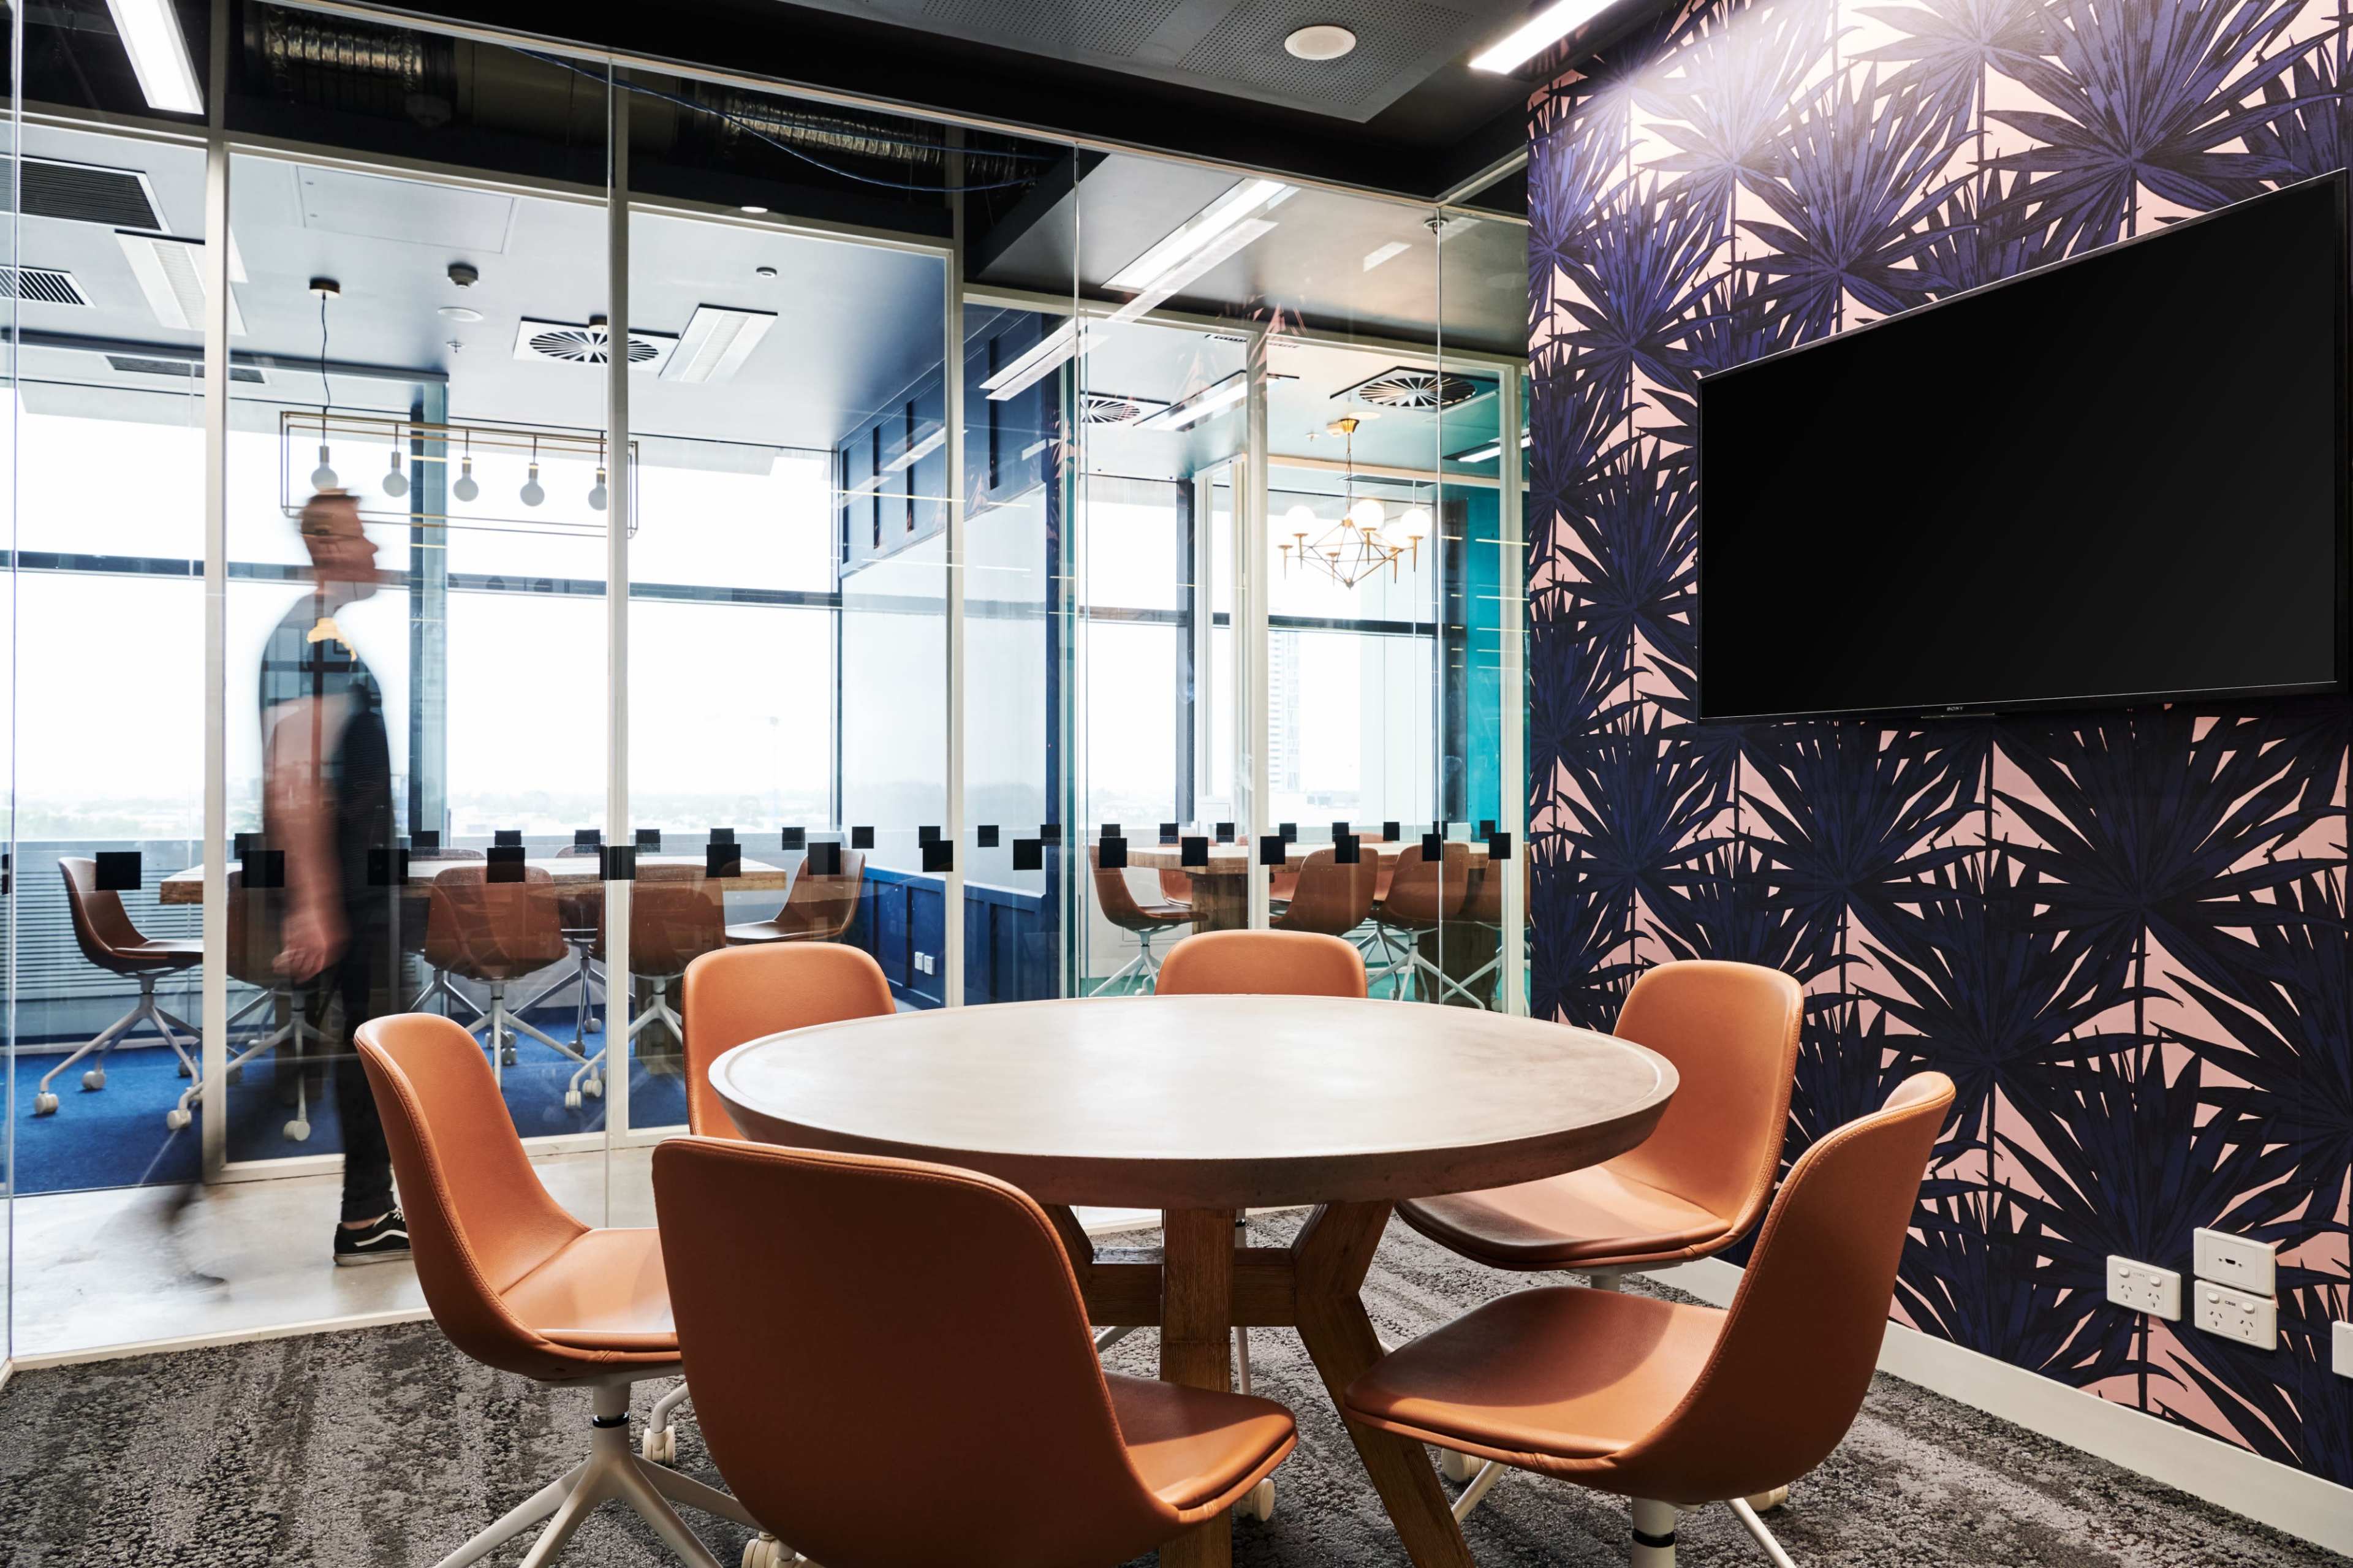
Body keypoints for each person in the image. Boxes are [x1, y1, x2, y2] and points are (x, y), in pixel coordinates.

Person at [260, 490, 407, 1265]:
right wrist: (314, 904)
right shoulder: (310, 639)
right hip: (347, 894)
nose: (376, 552)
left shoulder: (325, 641)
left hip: (357, 889)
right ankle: (364, 1217)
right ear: (326, 549)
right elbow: (293, 778)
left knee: (361, 1051)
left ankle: (368, 1213)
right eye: (362, 539)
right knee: (371, 1052)